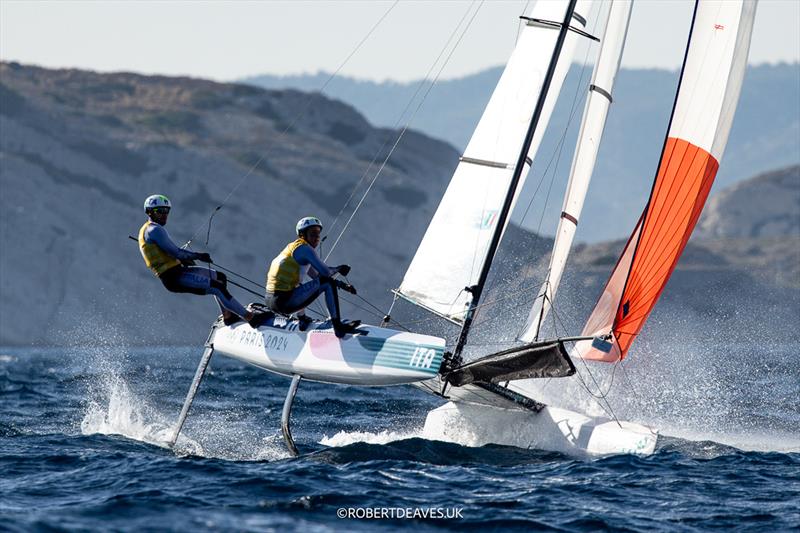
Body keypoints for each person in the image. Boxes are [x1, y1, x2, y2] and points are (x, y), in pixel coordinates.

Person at [138, 194, 267, 328]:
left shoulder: (151, 229)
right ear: (149, 212)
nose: (164, 215)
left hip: (179, 270)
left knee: (220, 278)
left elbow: (171, 254)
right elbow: (176, 252)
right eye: (160, 211)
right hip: (172, 277)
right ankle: (251, 318)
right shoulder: (154, 230)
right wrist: (198, 256)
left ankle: (228, 316)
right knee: (217, 287)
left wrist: (187, 258)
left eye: (167, 211)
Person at [265, 216, 358, 338]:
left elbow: (316, 276)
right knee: (326, 283)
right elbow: (325, 273)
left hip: (271, 300)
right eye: (313, 234)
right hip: (284, 302)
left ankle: (302, 318)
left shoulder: (294, 248)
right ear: (302, 235)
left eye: (318, 234)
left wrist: (342, 285)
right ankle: (338, 328)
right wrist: (340, 268)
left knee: (303, 285)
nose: (317, 238)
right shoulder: (305, 249)